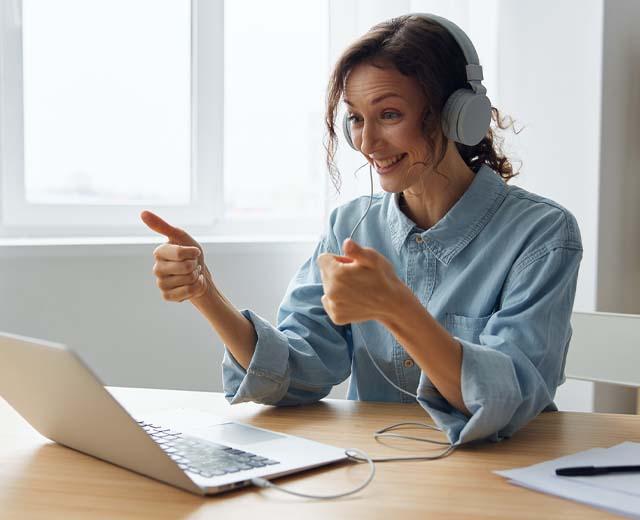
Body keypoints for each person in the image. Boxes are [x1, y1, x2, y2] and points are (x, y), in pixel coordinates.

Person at [141, 14, 582, 445]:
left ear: (457, 115)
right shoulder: (350, 225)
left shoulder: (542, 234)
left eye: (389, 114)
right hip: (378, 471)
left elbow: (507, 401)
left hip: (498, 478)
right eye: (355, 118)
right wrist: (205, 292)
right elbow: (296, 373)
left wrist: (397, 309)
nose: (366, 144)